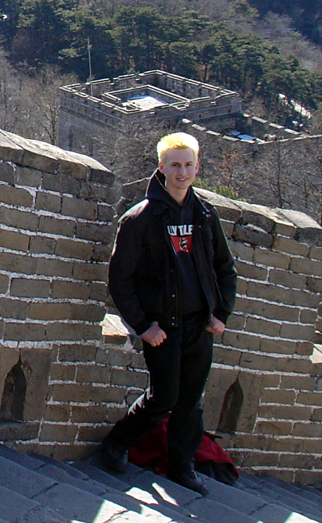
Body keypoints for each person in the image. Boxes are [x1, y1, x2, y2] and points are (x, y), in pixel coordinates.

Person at [99, 131, 237, 495]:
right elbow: (120, 279)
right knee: (164, 397)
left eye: (189, 165)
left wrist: (222, 313)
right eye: (175, 165)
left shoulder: (205, 214)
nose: (182, 172)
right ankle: (117, 442)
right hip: (163, 326)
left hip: (199, 324)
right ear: (161, 167)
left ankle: (181, 466)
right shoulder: (140, 219)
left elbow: (225, 267)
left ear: (197, 167)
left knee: (190, 402)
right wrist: (144, 326)